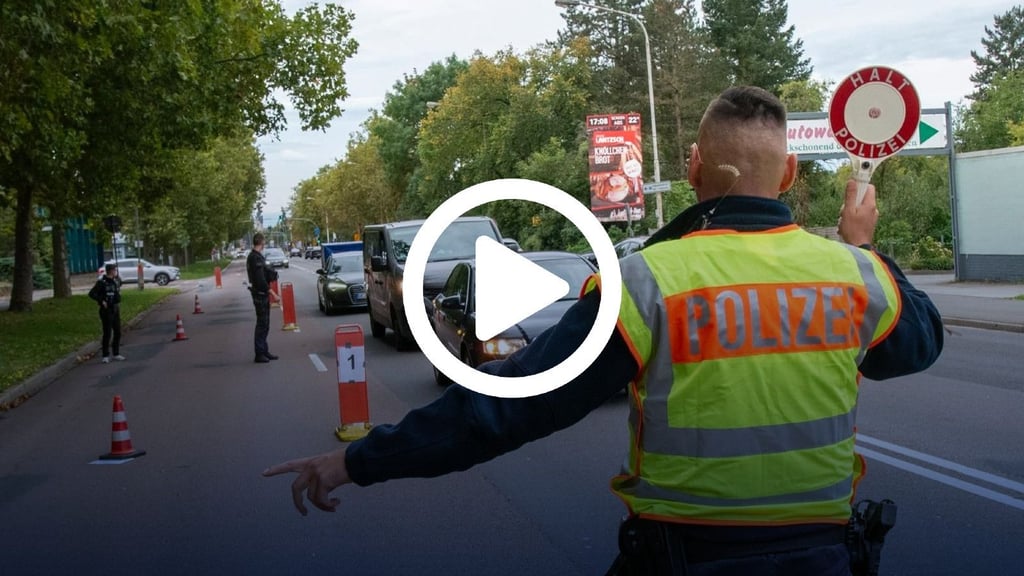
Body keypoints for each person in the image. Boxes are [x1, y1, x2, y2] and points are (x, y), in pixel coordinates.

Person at [263, 86, 944, 575]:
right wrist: (868, 247)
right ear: (791, 174)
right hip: (826, 559)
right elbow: (919, 344)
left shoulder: (645, 284)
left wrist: (356, 460)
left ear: (694, 169)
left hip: (685, 557)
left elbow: (505, 410)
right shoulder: (856, 277)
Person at [246, 232, 280, 363]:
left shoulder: (256, 256)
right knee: (262, 324)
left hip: (261, 293)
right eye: (264, 241)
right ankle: (259, 353)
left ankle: (264, 351)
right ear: (261, 242)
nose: (265, 244)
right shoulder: (255, 258)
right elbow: (260, 279)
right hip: (260, 294)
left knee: (265, 324)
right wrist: (273, 293)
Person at [89, 263, 125, 364]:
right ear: (111, 271)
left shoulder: (115, 281)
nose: (115, 272)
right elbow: (92, 294)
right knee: (107, 333)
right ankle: (105, 355)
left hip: (115, 309)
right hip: (106, 311)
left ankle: (116, 353)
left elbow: (117, 294)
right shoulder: (102, 282)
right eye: (114, 270)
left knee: (117, 331)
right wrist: (101, 301)